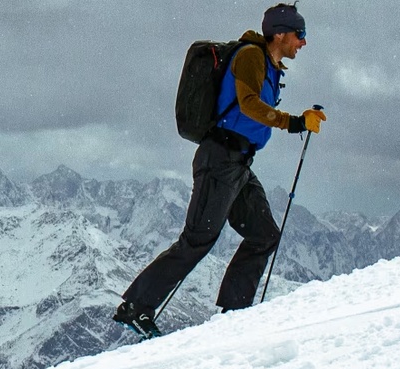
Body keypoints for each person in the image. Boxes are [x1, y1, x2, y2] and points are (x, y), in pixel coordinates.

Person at [114, 3, 326, 339]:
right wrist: (295, 122)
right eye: (300, 35)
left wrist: (295, 121)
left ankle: (234, 313)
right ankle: (135, 307)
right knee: (197, 239)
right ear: (281, 33)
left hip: (238, 163)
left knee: (265, 235)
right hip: (220, 159)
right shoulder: (251, 57)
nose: (303, 42)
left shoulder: (270, 65)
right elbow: (248, 104)